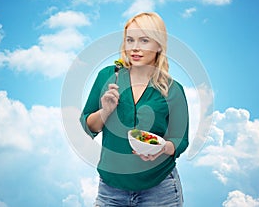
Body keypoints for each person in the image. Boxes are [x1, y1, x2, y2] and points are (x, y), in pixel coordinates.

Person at [80, 12, 189, 207]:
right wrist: (105, 111)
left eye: (144, 40)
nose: (135, 47)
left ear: (158, 45)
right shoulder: (108, 77)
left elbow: (180, 139)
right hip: (110, 189)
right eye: (130, 40)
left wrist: (164, 148)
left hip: (160, 189)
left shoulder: (173, 90)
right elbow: (88, 126)